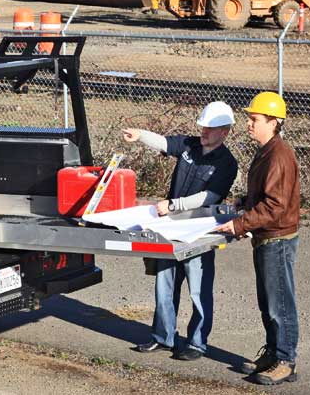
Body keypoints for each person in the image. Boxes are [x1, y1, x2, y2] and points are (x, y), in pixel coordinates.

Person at [122, 101, 239, 361]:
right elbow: (164, 143)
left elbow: (210, 196)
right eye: (202, 127)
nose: (203, 132)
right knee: (164, 285)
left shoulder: (228, 164)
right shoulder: (190, 145)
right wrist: (140, 135)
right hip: (170, 228)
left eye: (210, 128)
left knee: (198, 290)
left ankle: (197, 343)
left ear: (225, 132)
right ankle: (163, 337)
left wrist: (174, 205)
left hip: (199, 231)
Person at [215, 92, 300, 385]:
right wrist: (243, 201)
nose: (249, 124)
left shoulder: (278, 154)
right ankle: (274, 354)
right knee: (268, 302)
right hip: (267, 237)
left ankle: (286, 360)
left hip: (277, 239)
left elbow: (274, 206)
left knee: (280, 305)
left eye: (254, 119)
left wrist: (238, 225)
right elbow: (266, 196)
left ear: (273, 122)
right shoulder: (267, 150)